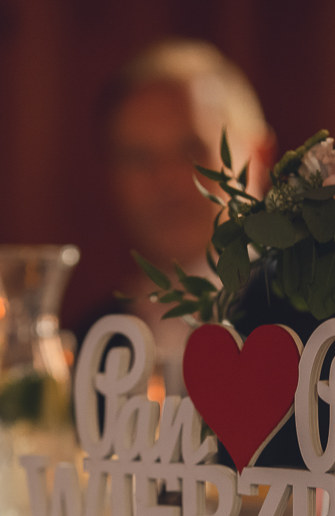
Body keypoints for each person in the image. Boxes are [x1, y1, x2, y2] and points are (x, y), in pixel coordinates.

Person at [96, 39, 276, 394]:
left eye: (192, 150)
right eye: (137, 157)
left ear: (259, 156)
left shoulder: (322, 322)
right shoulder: (83, 350)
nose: (166, 179)